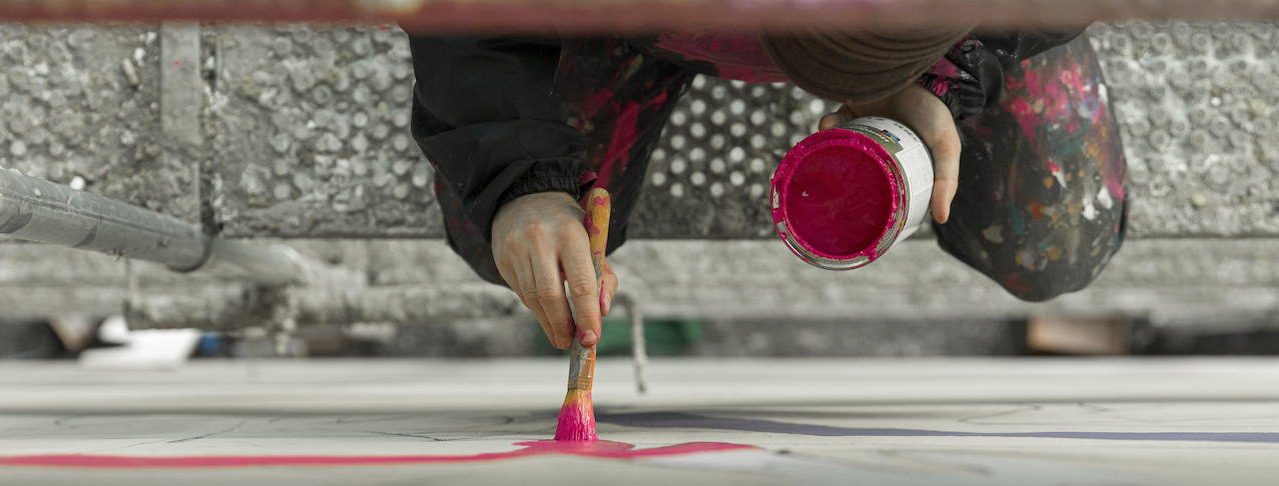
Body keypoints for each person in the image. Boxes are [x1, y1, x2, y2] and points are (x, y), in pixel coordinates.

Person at [407, 26, 1130, 351]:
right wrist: (519, 178)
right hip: (638, 22)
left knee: (1050, 244)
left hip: (952, 33)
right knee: (516, 245)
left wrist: (949, 70)